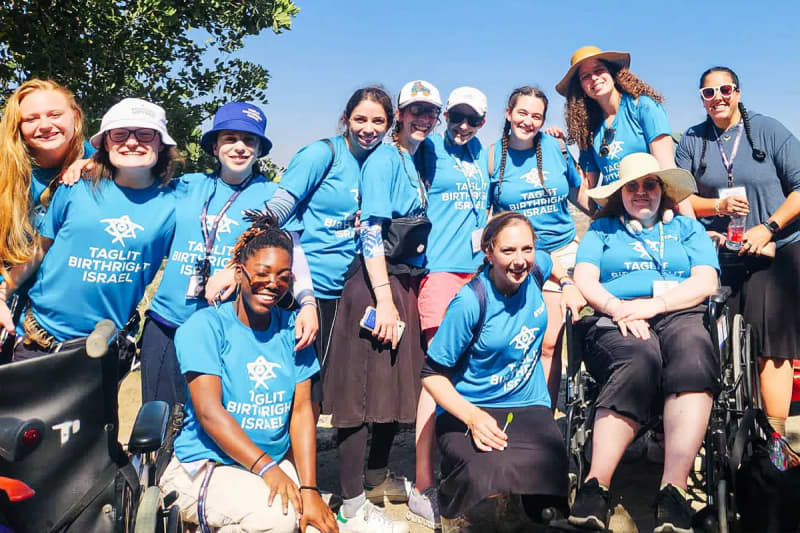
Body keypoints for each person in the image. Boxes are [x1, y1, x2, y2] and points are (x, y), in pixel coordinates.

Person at [159, 210, 337, 533]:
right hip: (204, 466)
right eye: (263, 272)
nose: (273, 284)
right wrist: (267, 468)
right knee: (277, 519)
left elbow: (300, 414)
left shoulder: (291, 332)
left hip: (270, 464)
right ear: (239, 273)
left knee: (313, 524)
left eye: (283, 276)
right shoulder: (205, 327)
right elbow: (210, 413)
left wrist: (309, 489)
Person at [571, 153, 720, 532]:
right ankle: (595, 486)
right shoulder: (602, 231)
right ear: (619, 193)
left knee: (694, 354)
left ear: (663, 190)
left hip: (678, 311)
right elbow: (585, 279)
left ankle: (673, 490)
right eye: (632, 186)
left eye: (649, 184)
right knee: (638, 358)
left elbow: (705, 281)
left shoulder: (687, 229)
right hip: (614, 316)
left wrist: (656, 305)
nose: (641, 192)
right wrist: (618, 308)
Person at [139, 101, 317, 407]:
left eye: (249, 140)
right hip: (169, 323)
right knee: (156, 424)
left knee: (219, 425)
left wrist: (308, 304)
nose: (239, 147)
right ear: (214, 146)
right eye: (229, 139)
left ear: (260, 149)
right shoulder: (186, 186)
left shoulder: (273, 198)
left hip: (230, 329)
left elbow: (294, 256)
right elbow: (130, 181)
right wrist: (87, 162)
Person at [324, 80, 441, 533]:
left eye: (429, 112)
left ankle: (375, 477)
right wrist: (385, 301)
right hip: (377, 285)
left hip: (404, 281)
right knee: (359, 395)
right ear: (401, 116)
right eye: (414, 111)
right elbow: (370, 233)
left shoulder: (413, 160)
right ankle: (352, 502)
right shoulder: (384, 161)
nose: (422, 119)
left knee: (394, 387)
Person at [0, 98, 179, 360]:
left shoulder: (177, 203)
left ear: (161, 143)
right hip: (37, 339)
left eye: (145, 134)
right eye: (119, 134)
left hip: (102, 349)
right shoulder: (75, 187)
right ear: (105, 142)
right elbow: (39, 252)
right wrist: (2, 294)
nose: (131, 142)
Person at [422, 211, 569, 528]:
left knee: (552, 460)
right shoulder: (471, 301)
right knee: (485, 470)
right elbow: (431, 375)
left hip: (526, 403)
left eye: (526, 249)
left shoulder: (535, 270)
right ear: (488, 253)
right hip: (472, 406)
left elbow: (547, 259)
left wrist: (568, 282)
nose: (520, 260)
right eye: (508, 251)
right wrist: (473, 418)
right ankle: (454, 514)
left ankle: (515, 506)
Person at [676, 66, 800, 438]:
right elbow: (679, 197)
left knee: (771, 343)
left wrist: (768, 228)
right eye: (708, 93)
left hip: (776, 250)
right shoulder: (693, 140)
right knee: (702, 335)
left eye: (725, 89)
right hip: (720, 253)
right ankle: (708, 430)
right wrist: (713, 216)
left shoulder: (768, 130)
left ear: (738, 92)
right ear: (701, 98)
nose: (718, 98)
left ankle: (776, 442)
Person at [261, 86, 394, 420]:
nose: (369, 128)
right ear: (345, 119)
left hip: (344, 291)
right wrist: (261, 226)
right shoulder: (322, 154)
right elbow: (282, 203)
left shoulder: (377, 162)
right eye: (360, 118)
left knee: (318, 388)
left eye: (378, 121)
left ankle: (305, 466)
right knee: (292, 386)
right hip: (304, 289)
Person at [409, 86, 490, 530]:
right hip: (439, 271)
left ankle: (463, 462)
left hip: (477, 272)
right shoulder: (429, 149)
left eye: (471, 120)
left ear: (482, 121)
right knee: (436, 372)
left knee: (468, 367)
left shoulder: (483, 152)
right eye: (455, 118)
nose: (462, 127)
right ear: (444, 117)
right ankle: (423, 482)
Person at [489, 85, 587, 407]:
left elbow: (579, 193)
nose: (529, 121)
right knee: (514, 339)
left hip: (560, 251)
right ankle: (511, 400)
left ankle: (543, 411)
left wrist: (613, 216)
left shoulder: (556, 147)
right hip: (518, 256)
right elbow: (485, 213)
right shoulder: (492, 157)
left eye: (537, 116)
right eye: (522, 113)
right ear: (508, 114)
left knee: (549, 342)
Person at [556, 45, 693, 216]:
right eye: (586, 76)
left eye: (599, 70)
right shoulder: (589, 130)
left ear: (612, 72)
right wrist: (560, 149)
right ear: (580, 86)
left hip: (650, 210)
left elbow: (668, 171)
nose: (594, 78)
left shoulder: (643, 106)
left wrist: (693, 230)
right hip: (614, 216)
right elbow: (585, 188)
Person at [0, 78, 90, 279]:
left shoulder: (99, 162)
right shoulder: (5, 167)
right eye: (31, 119)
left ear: (75, 117)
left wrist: (98, 165)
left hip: (68, 289)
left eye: (55, 115)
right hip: (10, 283)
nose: (45, 125)